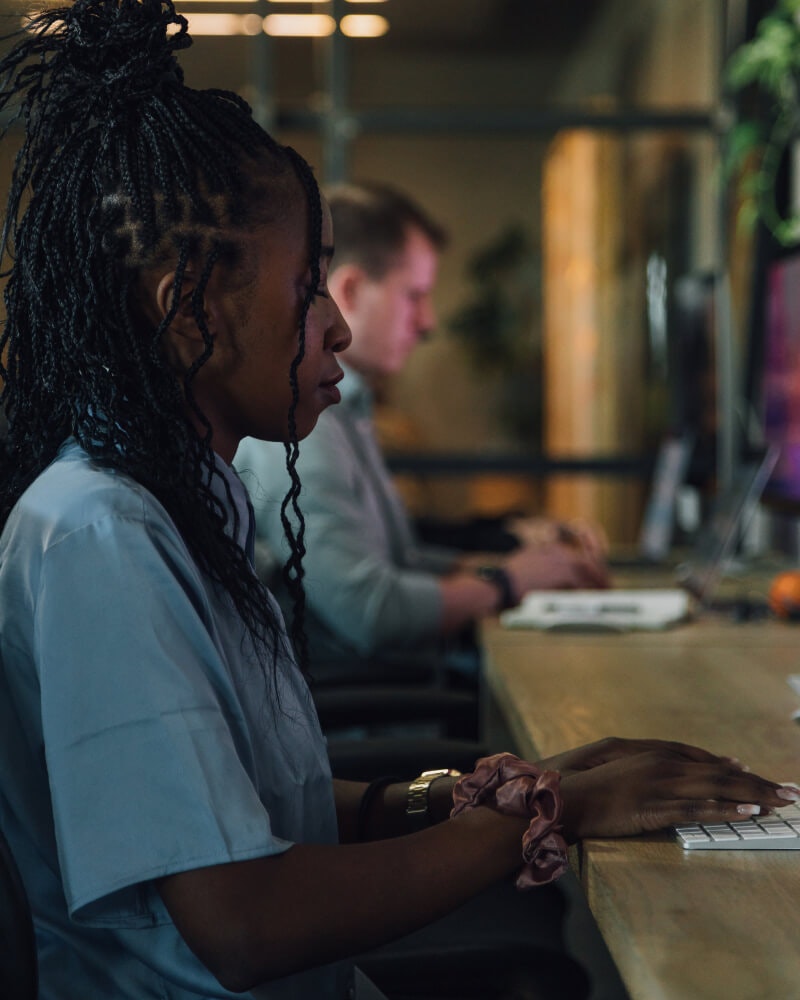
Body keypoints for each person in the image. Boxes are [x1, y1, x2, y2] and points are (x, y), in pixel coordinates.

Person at [0, 3, 797, 999]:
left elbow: (231, 800)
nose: (334, 328)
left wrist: (452, 792)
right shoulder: (98, 535)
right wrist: (550, 814)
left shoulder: (171, 503)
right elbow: (241, 923)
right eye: (305, 291)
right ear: (190, 306)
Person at [234, 182, 609, 680]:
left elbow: (399, 560)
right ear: (348, 292)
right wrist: (507, 582)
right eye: (416, 296)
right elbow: (370, 612)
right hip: (369, 724)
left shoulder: (349, 411)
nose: (429, 322)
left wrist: (511, 561)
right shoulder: (302, 427)